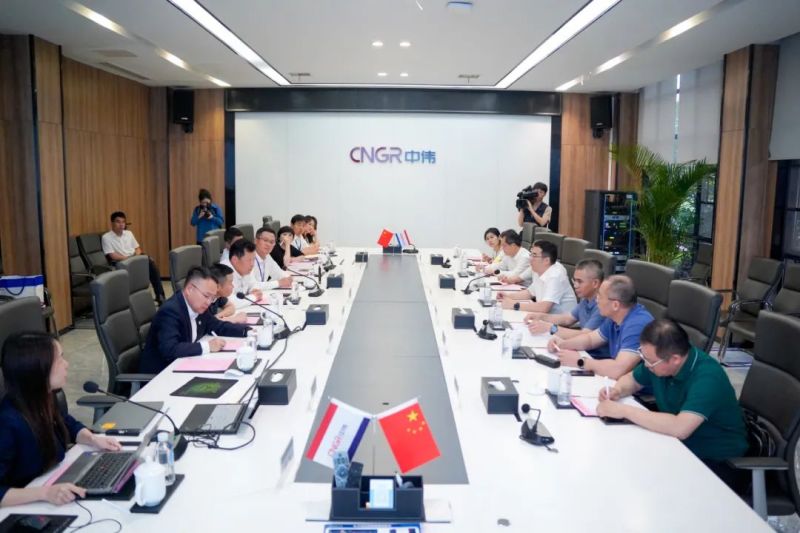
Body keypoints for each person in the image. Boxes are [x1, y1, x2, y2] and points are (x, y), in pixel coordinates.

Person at [597, 319, 748, 487]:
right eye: (643, 357)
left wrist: (624, 411)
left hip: (716, 463)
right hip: (677, 447)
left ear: (675, 359)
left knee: (634, 478)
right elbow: (632, 379)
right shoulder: (659, 362)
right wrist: (617, 390)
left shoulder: (708, 377)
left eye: (650, 361)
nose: (646, 364)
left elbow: (680, 428)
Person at [0, 332, 121, 507]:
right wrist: (44, 493)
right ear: (37, 369)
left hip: (51, 482)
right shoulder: (8, 422)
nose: (67, 364)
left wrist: (92, 439)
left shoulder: (44, 397)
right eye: (59, 359)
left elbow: (67, 423)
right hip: (24, 506)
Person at [139, 266, 250, 373]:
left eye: (212, 298)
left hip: (184, 365)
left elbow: (217, 325)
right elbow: (170, 349)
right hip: (160, 375)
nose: (208, 302)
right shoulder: (170, 311)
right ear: (189, 289)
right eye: (206, 296)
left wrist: (247, 331)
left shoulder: (199, 306)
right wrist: (207, 346)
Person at [547, 275, 654, 379]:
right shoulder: (615, 317)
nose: (596, 300)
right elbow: (590, 339)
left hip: (635, 388)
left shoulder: (637, 325)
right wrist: (563, 344)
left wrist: (580, 361)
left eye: (600, 296)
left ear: (615, 305)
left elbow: (618, 370)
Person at [525, 259, 609, 358]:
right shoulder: (586, 299)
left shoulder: (602, 306)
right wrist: (540, 317)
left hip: (595, 357)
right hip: (581, 350)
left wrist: (550, 328)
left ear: (595, 283)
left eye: (580, 281)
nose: (575, 285)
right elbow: (567, 319)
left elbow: (585, 335)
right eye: (574, 280)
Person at [101, 211, 166, 305]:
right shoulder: (106, 237)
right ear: (112, 223)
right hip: (121, 262)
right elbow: (112, 255)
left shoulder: (129, 233)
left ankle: (160, 296)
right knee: (145, 264)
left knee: (151, 264)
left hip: (134, 258)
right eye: (118, 222)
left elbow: (137, 248)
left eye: (123, 222)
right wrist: (128, 258)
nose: (121, 224)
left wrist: (136, 257)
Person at [497, 240, 576, 314]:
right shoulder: (538, 269)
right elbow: (529, 293)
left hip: (560, 320)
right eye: (531, 254)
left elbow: (544, 307)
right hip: (544, 317)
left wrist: (514, 305)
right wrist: (508, 296)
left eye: (534, 255)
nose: (530, 259)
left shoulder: (555, 275)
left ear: (546, 260)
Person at [221, 239, 266, 308]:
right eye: (249, 260)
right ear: (235, 260)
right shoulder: (223, 272)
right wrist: (254, 297)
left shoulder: (246, 268)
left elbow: (253, 284)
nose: (252, 264)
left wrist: (253, 290)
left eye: (253, 259)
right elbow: (228, 302)